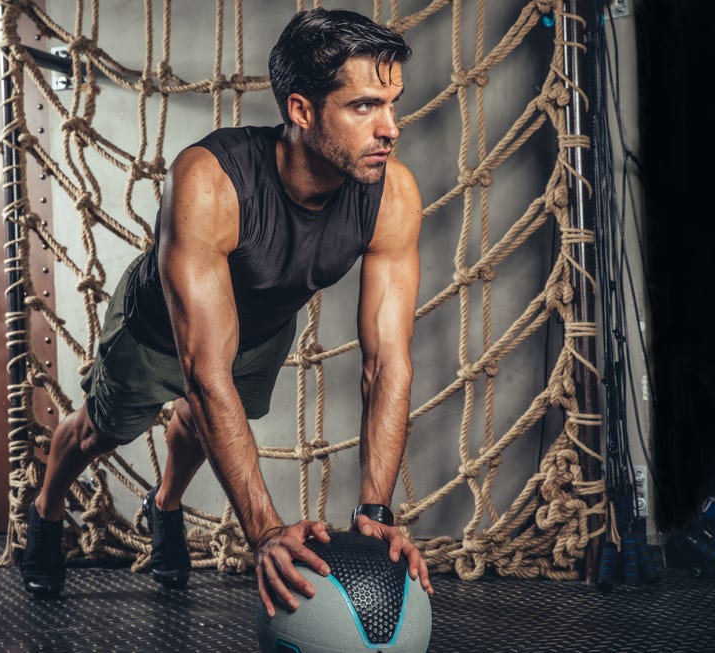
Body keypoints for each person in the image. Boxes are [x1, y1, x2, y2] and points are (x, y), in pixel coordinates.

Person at [21, 7, 434, 615]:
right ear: (301, 110)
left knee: (196, 424)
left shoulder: (390, 194)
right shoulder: (209, 181)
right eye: (364, 106)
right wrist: (265, 532)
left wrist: (374, 513)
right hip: (157, 327)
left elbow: (388, 362)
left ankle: (164, 507)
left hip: (262, 327)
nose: (390, 128)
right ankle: (46, 512)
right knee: (100, 431)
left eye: (392, 104)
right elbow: (203, 371)